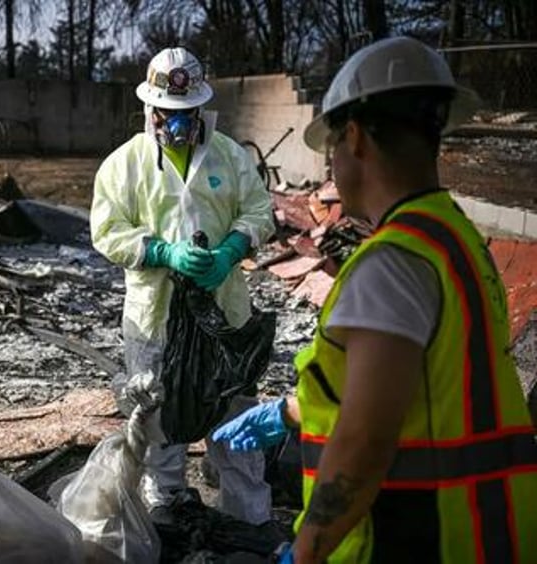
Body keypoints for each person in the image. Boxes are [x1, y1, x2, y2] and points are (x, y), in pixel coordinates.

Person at [213, 37, 537, 563]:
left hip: (411, 538)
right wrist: (292, 412)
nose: (331, 164)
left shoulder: (387, 266)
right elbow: (417, 389)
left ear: (356, 138)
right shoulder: (456, 242)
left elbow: (364, 442)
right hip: (486, 528)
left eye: (332, 147)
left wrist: (306, 551)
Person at [90, 47, 276, 525]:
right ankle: (167, 512)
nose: (174, 123)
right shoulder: (124, 165)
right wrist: (161, 252)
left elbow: (259, 212)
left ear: (200, 110)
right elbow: (106, 231)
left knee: (235, 417)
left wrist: (231, 251)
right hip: (155, 317)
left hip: (224, 314)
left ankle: (247, 522)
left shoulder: (229, 156)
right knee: (158, 425)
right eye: (166, 113)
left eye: (184, 114)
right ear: (150, 110)